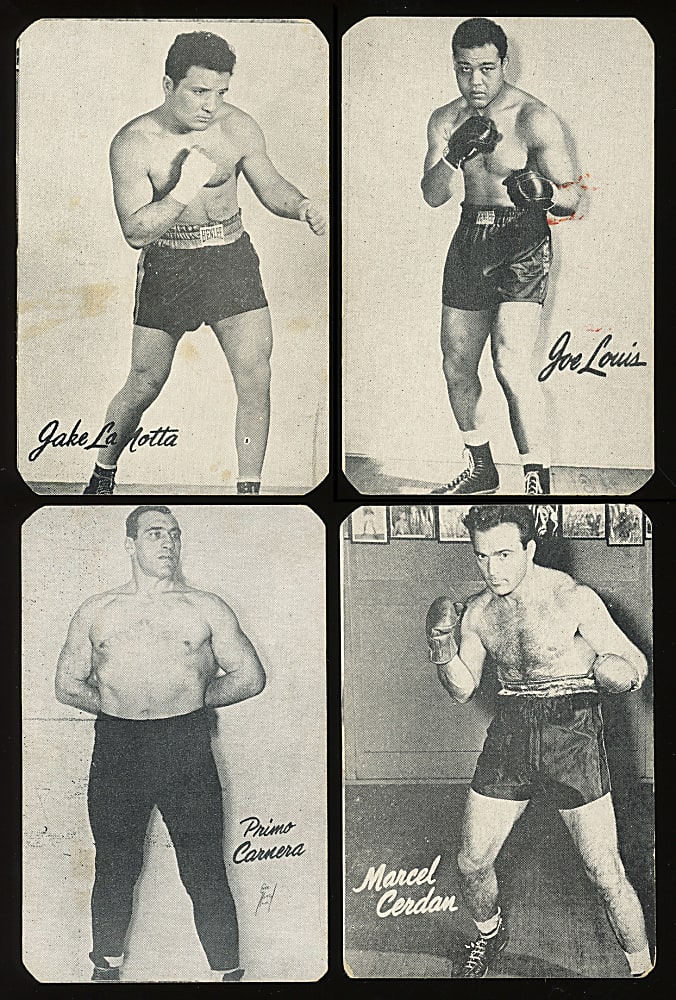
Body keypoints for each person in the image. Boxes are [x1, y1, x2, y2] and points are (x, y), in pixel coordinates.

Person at [83, 31, 326, 496]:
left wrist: (302, 206)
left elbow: (270, 185)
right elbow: (135, 232)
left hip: (230, 259)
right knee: (144, 381)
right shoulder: (134, 142)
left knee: (255, 376)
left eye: (221, 92)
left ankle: (249, 492)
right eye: (198, 91)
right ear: (168, 85)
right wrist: (183, 187)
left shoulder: (238, 126)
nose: (211, 106)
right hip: (169, 264)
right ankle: (102, 473)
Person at [425, 504, 652, 979]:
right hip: (511, 731)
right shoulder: (479, 613)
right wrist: (442, 649)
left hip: (572, 731)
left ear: (529, 549)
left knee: (604, 872)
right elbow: (463, 689)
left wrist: (623, 674)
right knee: (471, 862)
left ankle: (643, 970)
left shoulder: (574, 598)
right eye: (483, 556)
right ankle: (489, 934)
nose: (493, 569)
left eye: (504, 554)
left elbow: (635, 662)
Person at [55, 505, 266, 982]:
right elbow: (67, 685)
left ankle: (228, 974)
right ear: (130, 545)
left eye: (174, 534)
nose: (168, 542)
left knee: (204, 869)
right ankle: (105, 969)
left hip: (184, 745)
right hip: (118, 747)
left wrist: (190, 699)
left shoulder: (205, 606)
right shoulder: (97, 609)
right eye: (155, 534)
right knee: (114, 866)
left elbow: (250, 676)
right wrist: (118, 704)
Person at [421, 18, 581, 495]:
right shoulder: (444, 119)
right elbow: (432, 196)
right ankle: (481, 468)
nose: (475, 81)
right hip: (470, 235)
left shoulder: (534, 117)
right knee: (456, 364)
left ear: (504, 64)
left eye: (486, 69)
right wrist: (452, 156)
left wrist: (545, 192)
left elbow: (573, 198)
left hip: (522, 240)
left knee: (510, 363)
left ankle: (537, 485)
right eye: (464, 69)